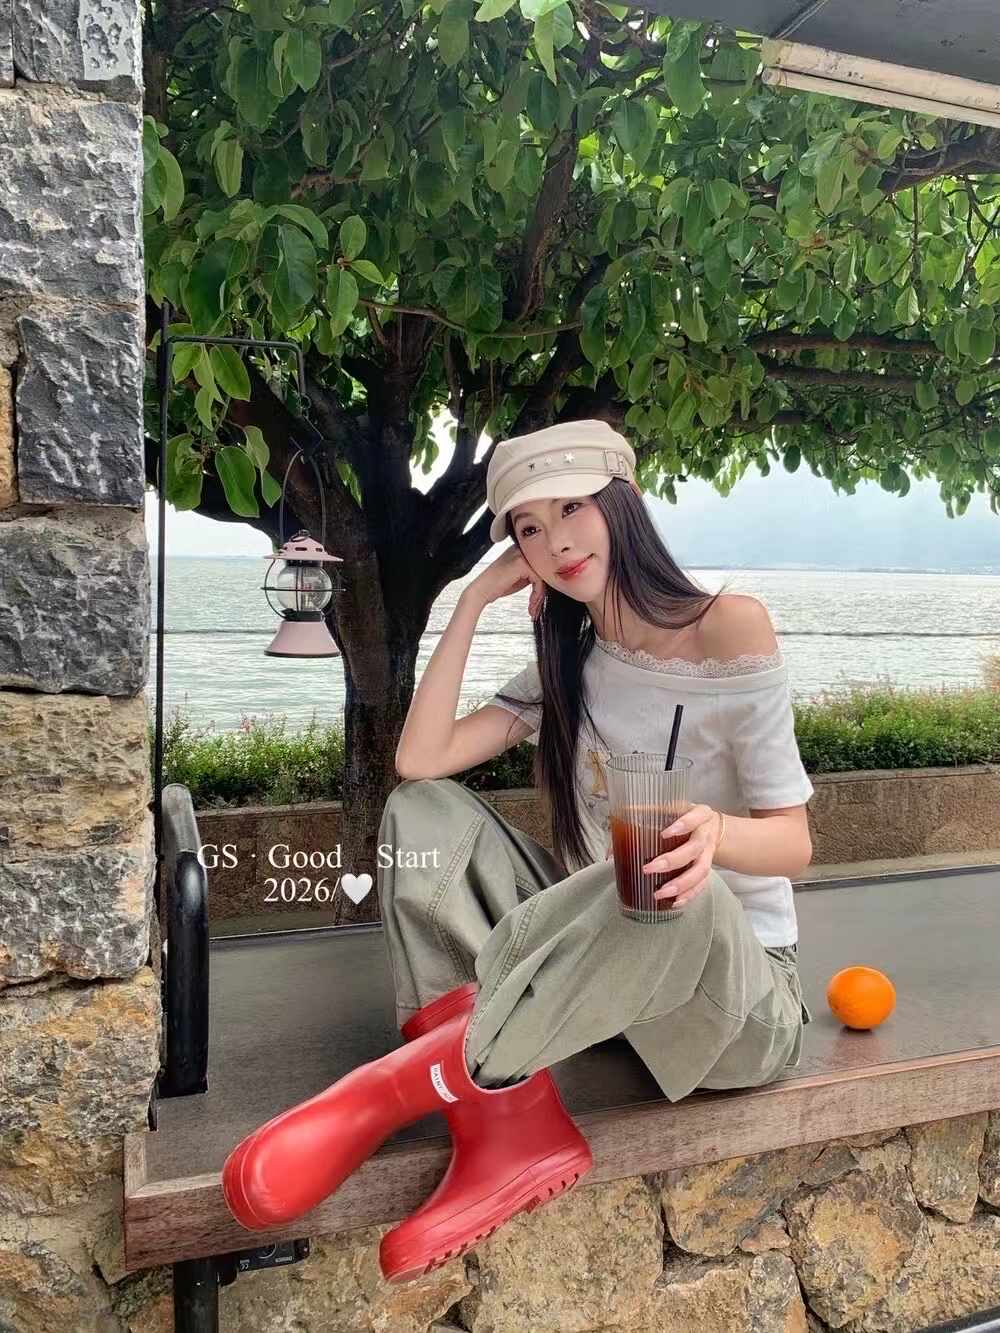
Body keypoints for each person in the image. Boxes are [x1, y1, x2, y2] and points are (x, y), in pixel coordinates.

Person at [220, 419, 815, 1285]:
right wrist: (470, 601)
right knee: (422, 812)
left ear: (623, 503)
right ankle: (503, 1124)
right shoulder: (571, 659)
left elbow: (796, 841)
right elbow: (419, 759)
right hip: (605, 981)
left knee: (671, 885)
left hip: (736, 1001)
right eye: (529, 528)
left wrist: (716, 834)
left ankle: (389, 1091)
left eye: (572, 508)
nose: (556, 542)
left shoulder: (729, 627)